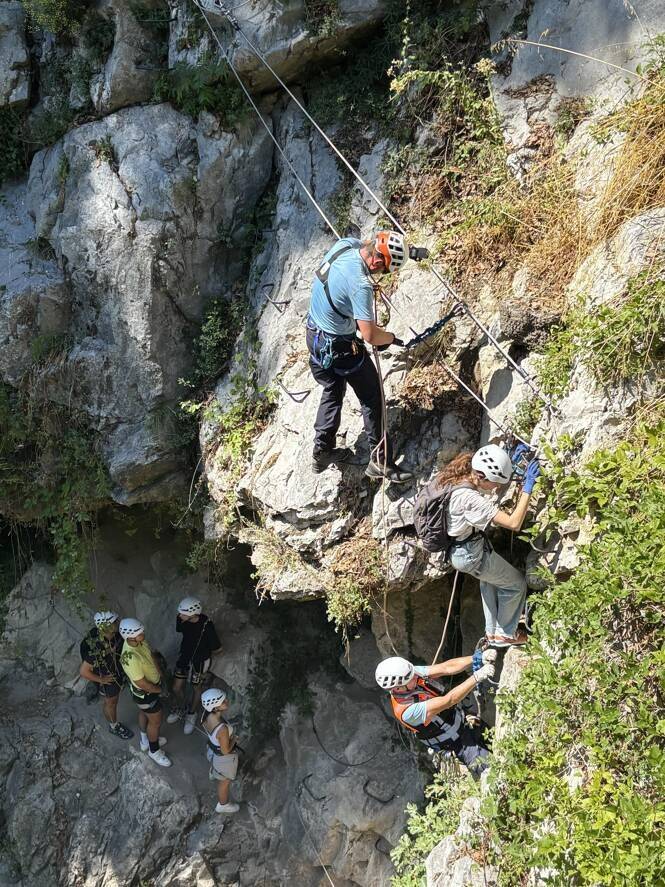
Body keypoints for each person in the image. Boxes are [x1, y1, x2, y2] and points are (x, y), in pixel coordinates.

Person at [306, 230, 426, 483]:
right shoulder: (360, 285)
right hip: (340, 348)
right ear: (377, 262)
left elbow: (375, 248)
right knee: (372, 396)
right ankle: (381, 461)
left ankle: (322, 451)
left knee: (332, 386)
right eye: (384, 271)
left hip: (314, 335)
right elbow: (370, 335)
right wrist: (390, 338)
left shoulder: (345, 245)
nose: (380, 276)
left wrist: (410, 253)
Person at [443, 444, 541, 646]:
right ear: (483, 477)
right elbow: (514, 523)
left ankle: (492, 632)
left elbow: (489, 491)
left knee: (489, 581)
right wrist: (527, 487)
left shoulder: (459, 478)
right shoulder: (470, 499)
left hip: (462, 550)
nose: (496, 487)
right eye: (495, 482)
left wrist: (510, 467)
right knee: (516, 585)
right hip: (470, 555)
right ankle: (505, 633)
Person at [375, 653, 496, 778]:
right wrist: (476, 677)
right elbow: (449, 700)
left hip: (466, 722)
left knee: (499, 741)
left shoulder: (410, 675)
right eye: (410, 679)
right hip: (459, 745)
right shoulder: (407, 711)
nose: (415, 677)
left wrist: (476, 658)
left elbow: (446, 667)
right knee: (494, 771)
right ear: (398, 688)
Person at [119, 618, 171, 767]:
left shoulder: (140, 642)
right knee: (155, 722)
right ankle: (154, 751)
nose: (143, 633)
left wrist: (160, 674)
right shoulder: (130, 658)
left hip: (150, 688)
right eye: (140, 632)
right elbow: (141, 683)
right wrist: (160, 690)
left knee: (144, 713)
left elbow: (152, 656)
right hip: (146, 694)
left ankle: (145, 740)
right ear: (131, 636)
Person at [167, 597, 222, 735]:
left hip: (200, 660)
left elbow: (217, 648)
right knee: (176, 687)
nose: (179, 616)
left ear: (193, 613)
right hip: (185, 656)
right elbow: (180, 629)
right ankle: (182, 707)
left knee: (196, 687)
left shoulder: (206, 625)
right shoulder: (182, 619)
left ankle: (192, 713)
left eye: (182, 613)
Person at [79, 611, 133, 740]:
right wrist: (101, 679)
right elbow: (84, 671)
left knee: (113, 699)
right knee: (111, 702)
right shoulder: (95, 647)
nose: (118, 623)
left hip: (116, 670)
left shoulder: (114, 634)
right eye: (115, 622)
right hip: (106, 676)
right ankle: (114, 726)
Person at [201, 688, 240, 814]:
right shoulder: (222, 729)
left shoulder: (206, 714)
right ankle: (223, 805)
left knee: (216, 764)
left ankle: (214, 771)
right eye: (223, 702)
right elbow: (225, 751)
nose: (226, 702)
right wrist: (233, 739)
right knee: (225, 782)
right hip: (222, 758)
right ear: (215, 708)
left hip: (212, 750)